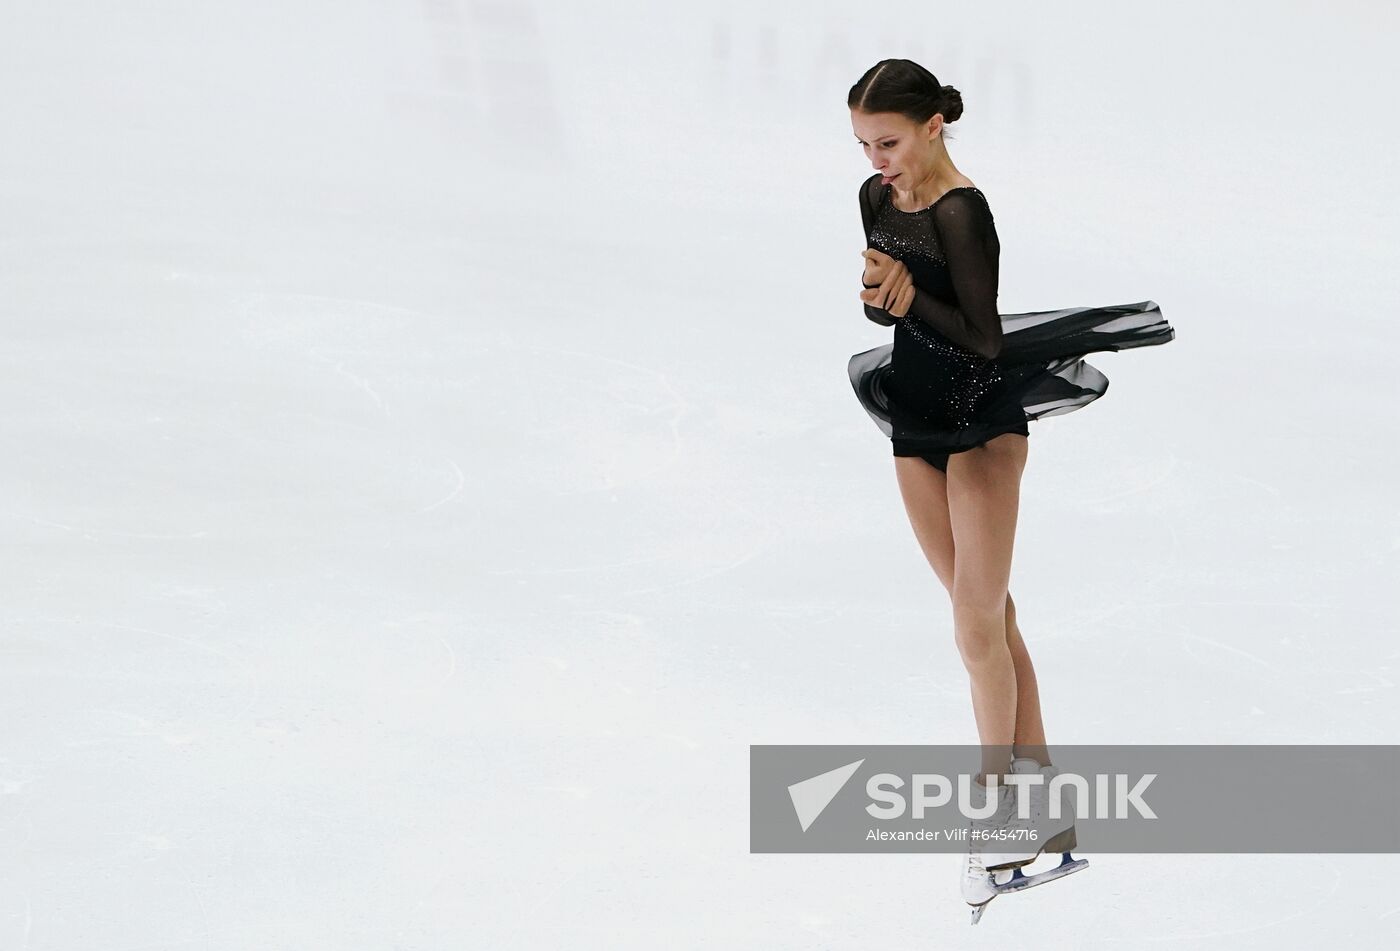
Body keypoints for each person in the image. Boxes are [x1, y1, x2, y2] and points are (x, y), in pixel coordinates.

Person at [846, 59, 1175, 916]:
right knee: (989, 618)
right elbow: (889, 312)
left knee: (974, 626)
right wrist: (884, 301)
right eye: (863, 145)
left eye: (888, 142)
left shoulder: (963, 209)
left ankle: (997, 815)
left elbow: (985, 340)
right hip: (913, 419)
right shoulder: (876, 198)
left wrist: (910, 295)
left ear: (932, 126)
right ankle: (1046, 815)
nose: (877, 160)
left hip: (983, 423)